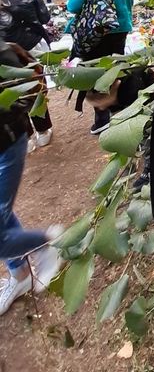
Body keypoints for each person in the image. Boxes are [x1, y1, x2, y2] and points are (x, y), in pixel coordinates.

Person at [0, 39, 62, 315]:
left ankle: (45, 242)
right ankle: (20, 274)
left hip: (6, 147)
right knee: (1, 214)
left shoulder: (3, 53)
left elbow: (28, 95)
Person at [67, 0, 134, 135]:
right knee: (115, 68)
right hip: (120, 29)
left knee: (96, 71)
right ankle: (120, 111)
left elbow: (73, 6)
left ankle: (102, 118)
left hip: (96, 30)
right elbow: (130, 2)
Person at [0, 0, 54, 149]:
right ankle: (43, 131)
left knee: (11, 90)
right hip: (30, 45)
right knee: (35, 87)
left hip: (4, 51)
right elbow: (45, 17)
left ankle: (27, 136)